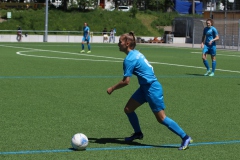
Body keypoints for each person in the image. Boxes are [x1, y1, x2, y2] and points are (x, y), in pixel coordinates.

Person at [106, 31, 192, 150]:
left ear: (127, 43)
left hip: (152, 89)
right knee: (128, 109)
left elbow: (126, 81)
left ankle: (185, 137)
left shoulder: (129, 59)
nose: (118, 44)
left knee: (161, 118)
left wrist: (112, 88)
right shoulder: (136, 53)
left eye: (120, 42)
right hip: (145, 88)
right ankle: (138, 133)